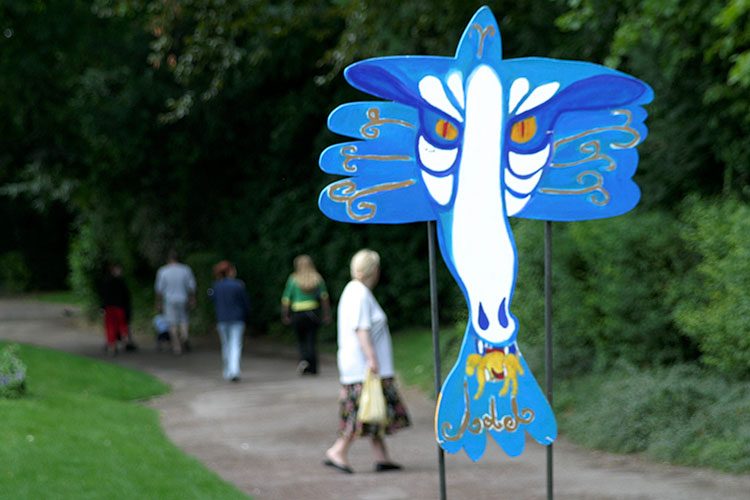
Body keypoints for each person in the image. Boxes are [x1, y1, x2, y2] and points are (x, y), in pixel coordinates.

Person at [324, 249, 410, 474]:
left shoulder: (355, 291)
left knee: (373, 409)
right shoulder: (359, 293)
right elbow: (361, 329)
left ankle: (382, 457)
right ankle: (338, 451)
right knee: (362, 411)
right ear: (375, 270)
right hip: (364, 367)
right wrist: (373, 359)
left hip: (360, 366)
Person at [281, 254, 331, 375]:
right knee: (312, 340)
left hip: (298, 312)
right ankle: (313, 367)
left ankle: (304, 360)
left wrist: (285, 314)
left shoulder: (293, 279)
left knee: (301, 340)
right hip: (312, 312)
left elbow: (286, 299)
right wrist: (327, 314)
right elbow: (324, 298)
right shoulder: (317, 278)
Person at [208, 261, 251, 382]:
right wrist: (248, 315)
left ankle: (227, 370)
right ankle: (234, 370)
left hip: (222, 319)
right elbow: (245, 302)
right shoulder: (238, 285)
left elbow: (211, 299)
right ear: (230, 271)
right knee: (235, 344)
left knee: (226, 345)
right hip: (237, 318)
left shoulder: (216, 285)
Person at [155, 249, 196, 355]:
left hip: (169, 300)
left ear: (168, 259)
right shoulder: (186, 269)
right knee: (184, 321)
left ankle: (177, 347)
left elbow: (159, 289)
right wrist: (192, 299)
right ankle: (184, 336)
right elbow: (191, 286)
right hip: (183, 298)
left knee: (172, 324)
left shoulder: (163, 271)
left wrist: (158, 303)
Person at [99, 262, 135, 356]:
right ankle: (126, 340)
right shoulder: (120, 282)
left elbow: (103, 296)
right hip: (119, 307)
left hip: (109, 307)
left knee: (111, 327)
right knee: (122, 325)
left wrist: (102, 307)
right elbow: (127, 296)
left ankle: (112, 347)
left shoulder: (106, 282)